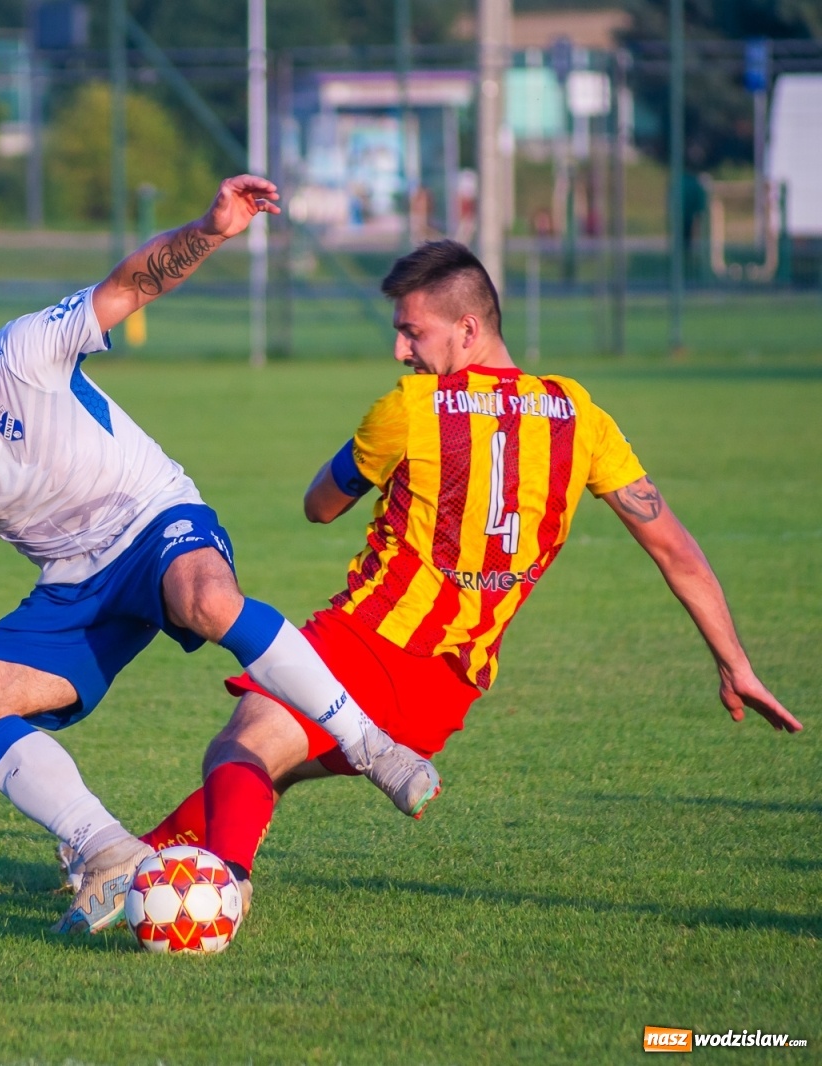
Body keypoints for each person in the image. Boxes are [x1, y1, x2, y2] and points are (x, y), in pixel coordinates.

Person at [0, 176, 441, 936]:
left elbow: (130, 286)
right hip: (72, 581)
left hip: (152, 515)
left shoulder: (19, 355)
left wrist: (212, 227)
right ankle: (109, 853)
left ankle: (372, 747)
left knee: (209, 600)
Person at [135, 239, 803, 904]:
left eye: (411, 332)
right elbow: (675, 550)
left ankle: (223, 894)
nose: (401, 350)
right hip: (450, 690)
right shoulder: (581, 416)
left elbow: (318, 507)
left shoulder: (412, 408)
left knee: (240, 749)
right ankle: (132, 867)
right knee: (268, 766)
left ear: (469, 329)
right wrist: (735, 662)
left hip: (370, 642)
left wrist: (373, 451)